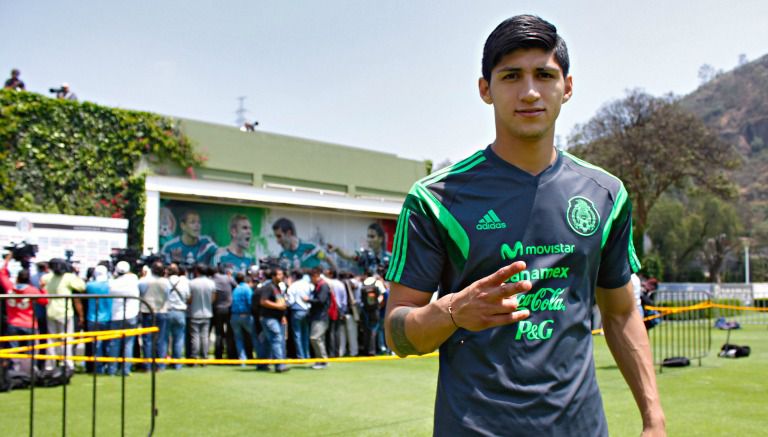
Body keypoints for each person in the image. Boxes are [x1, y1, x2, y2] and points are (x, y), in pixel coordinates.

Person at [383, 15, 665, 437]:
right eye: (511, 76)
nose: (530, 91)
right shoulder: (435, 199)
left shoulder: (605, 195)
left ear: (567, 87)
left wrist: (653, 420)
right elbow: (398, 334)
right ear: (485, 89)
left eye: (544, 75)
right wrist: (455, 312)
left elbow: (622, 314)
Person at [1, 253, 48, 371]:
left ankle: (14, 371)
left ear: (17, 278)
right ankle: (30, 370)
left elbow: (2, 273)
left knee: (13, 350)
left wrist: (7, 259)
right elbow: (44, 301)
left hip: (13, 322)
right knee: (31, 350)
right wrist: (43, 288)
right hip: (29, 323)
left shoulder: (10, 288)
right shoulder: (33, 290)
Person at [40, 258, 85, 370]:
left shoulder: (47, 277)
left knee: (51, 340)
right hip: (65, 312)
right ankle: (67, 364)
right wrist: (74, 273)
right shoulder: (69, 277)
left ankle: (50, 364)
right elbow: (82, 286)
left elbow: (42, 286)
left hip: (50, 311)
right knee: (67, 340)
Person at [107, 261, 140, 376]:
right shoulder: (133, 279)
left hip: (116, 316)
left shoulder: (112, 284)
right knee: (128, 344)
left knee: (114, 343)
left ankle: (112, 369)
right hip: (131, 315)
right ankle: (126, 369)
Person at [139, 261, 170, 371]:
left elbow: (141, 294)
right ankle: (160, 365)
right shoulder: (166, 282)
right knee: (161, 339)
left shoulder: (144, 281)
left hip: (147, 311)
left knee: (147, 340)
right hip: (162, 311)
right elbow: (168, 295)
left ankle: (147, 365)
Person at [258, 268, 289, 372]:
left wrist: (283, 316)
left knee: (267, 341)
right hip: (269, 318)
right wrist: (277, 306)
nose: (282, 276)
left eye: (282, 274)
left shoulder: (277, 287)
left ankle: (262, 364)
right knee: (276, 338)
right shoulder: (268, 287)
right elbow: (263, 301)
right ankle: (279, 365)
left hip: (276, 318)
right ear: (273, 276)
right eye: (279, 275)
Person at [85, 265, 112, 374]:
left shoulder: (90, 285)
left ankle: (98, 367)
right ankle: (107, 365)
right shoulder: (109, 285)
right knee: (108, 344)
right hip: (107, 317)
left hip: (93, 318)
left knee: (96, 345)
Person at [187, 263, 216, 362]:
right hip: (207, 312)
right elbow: (213, 297)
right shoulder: (211, 283)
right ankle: (204, 356)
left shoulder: (192, 283)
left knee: (195, 336)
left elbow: (189, 299)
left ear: (197, 272)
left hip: (195, 312)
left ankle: (194, 357)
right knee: (205, 336)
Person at [230, 272, 260, 363]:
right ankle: (260, 358)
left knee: (238, 339)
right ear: (248, 281)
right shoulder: (247, 289)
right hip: (246, 316)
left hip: (234, 316)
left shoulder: (235, 289)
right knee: (255, 337)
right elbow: (250, 302)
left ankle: (242, 360)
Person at [166, 263, 190, 370]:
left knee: (165, 338)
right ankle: (177, 363)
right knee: (179, 338)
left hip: (167, 311)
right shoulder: (184, 281)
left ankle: (164, 360)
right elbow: (188, 296)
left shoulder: (165, 281)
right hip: (180, 311)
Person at [210, 265, 237, 359]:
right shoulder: (228, 279)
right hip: (228, 307)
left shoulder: (212, 280)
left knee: (219, 333)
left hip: (217, 308)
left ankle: (218, 354)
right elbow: (236, 287)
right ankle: (231, 354)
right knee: (230, 333)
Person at [285, 269, 312, 359]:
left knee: (297, 335)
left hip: (296, 310)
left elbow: (290, 301)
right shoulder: (308, 285)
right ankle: (307, 355)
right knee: (305, 334)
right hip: (307, 310)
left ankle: (301, 356)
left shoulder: (293, 286)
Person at [307, 267, 330, 369]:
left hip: (321, 316)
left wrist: (308, 300)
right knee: (319, 339)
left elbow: (321, 300)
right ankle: (321, 360)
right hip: (318, 316)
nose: (311, 280)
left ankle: (323, 361)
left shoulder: (323, 286)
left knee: (315, 338)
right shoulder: (319, 285)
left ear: (316, 276)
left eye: (311, 277)